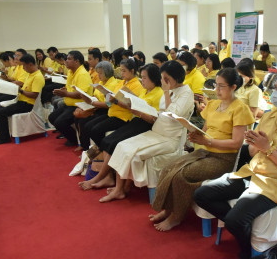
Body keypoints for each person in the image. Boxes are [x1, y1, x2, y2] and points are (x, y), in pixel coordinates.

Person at [194, 66, 277, 259]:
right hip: (250, 173)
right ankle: (246, 231)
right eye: (275, 87)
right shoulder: (269, 116)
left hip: (273, 185)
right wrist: (254, 143)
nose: (274, 92)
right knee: (202, 194)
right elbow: (252, 152)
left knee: (235, 220)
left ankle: (246, 247)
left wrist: (267, 148)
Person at [150, 68, 255, 231]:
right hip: (205, 152)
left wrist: (208, 141)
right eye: (216, 85)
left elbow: (236, 143)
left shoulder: (240, 108)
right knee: (169, 168)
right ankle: (168, 209)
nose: (217, 90)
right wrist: (194, 134)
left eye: (221, 86)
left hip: (225, 159)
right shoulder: (213, 104)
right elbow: (205, 129)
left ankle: (177, 216)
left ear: (233, 87)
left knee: (182, 175)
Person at [98, 61, 194, 202]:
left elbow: (171, 114)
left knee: (132, 152)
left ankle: (121, 189)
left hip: (170, 138)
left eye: (166, 79)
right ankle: (120, 188)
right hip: (157, 130)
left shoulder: (186, 93)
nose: (163, 82)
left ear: (176, 77)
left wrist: (166, 91)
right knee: (121, 146)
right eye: (163, 78)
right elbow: (161, 112)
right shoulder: (171, 89)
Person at [78, 63, 163, 190]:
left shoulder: (158, 93)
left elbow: (154, 119)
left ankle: (100, 177)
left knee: (114, 143)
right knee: (106, 141)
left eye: (145, 78)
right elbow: (135, 104)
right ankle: (107, 177)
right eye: (142, 77)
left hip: (143, 124)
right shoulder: (145, 90)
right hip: (135, 120)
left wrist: (132, 108)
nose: (142, 80)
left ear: (154, 78)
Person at [87, 58, 144, 150]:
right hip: (112, 112)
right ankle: (101, 150)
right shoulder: (122, 82)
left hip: (123, 117)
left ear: (132, 71)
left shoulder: (137, 85)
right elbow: (113, 98)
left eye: (124, 71)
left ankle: (103, 151)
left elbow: (132, 106)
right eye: (121, 71)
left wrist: (115, 101)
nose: (121, 74)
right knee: (89, 126)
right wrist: (107, 96)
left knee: (95, 130)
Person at [0, 54, 45, 145]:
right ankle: (3, 134)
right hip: (21, 101)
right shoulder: (30, 74)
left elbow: (34, 95)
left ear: (30, 64)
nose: (23, 68)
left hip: (28, 104)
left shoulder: (38, 77)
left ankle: (4, 138)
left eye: (24, 65)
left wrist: (20, 91)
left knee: (1, 112)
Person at [48, 51, 93, 146]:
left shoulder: (82, 74)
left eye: (69, 59)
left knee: (59, 122)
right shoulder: (70, 72)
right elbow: (70, 88)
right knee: (51, 117)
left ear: (76, 61)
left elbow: (81, 94)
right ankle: (71, 136)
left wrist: (66, 93)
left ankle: (74, 140)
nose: (66, 61)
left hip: (80, 105)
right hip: (69, 104)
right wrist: (64, 91)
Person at [74, 61, 118, 151]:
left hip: (105, 111)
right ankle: (84, 146)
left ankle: (97, 150)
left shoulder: (113, 84)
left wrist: (91, 103)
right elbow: (96, 96)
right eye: (98, 73)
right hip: (97, 107)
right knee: (79, 119)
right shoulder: (101, 83)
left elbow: (108, 104)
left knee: (88, 125)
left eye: (100, 73)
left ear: (107, 72)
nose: (98, 75)